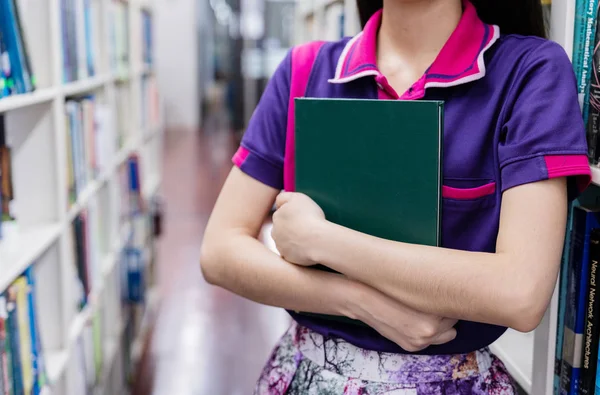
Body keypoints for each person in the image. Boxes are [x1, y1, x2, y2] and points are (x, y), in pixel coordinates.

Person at [200, 0, 592, 393]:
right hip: (304, 374)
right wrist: (357, 301)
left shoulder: (530, 71)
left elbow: (520, 294)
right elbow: (220, 252)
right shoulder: (305, 68)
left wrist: (321, 240)